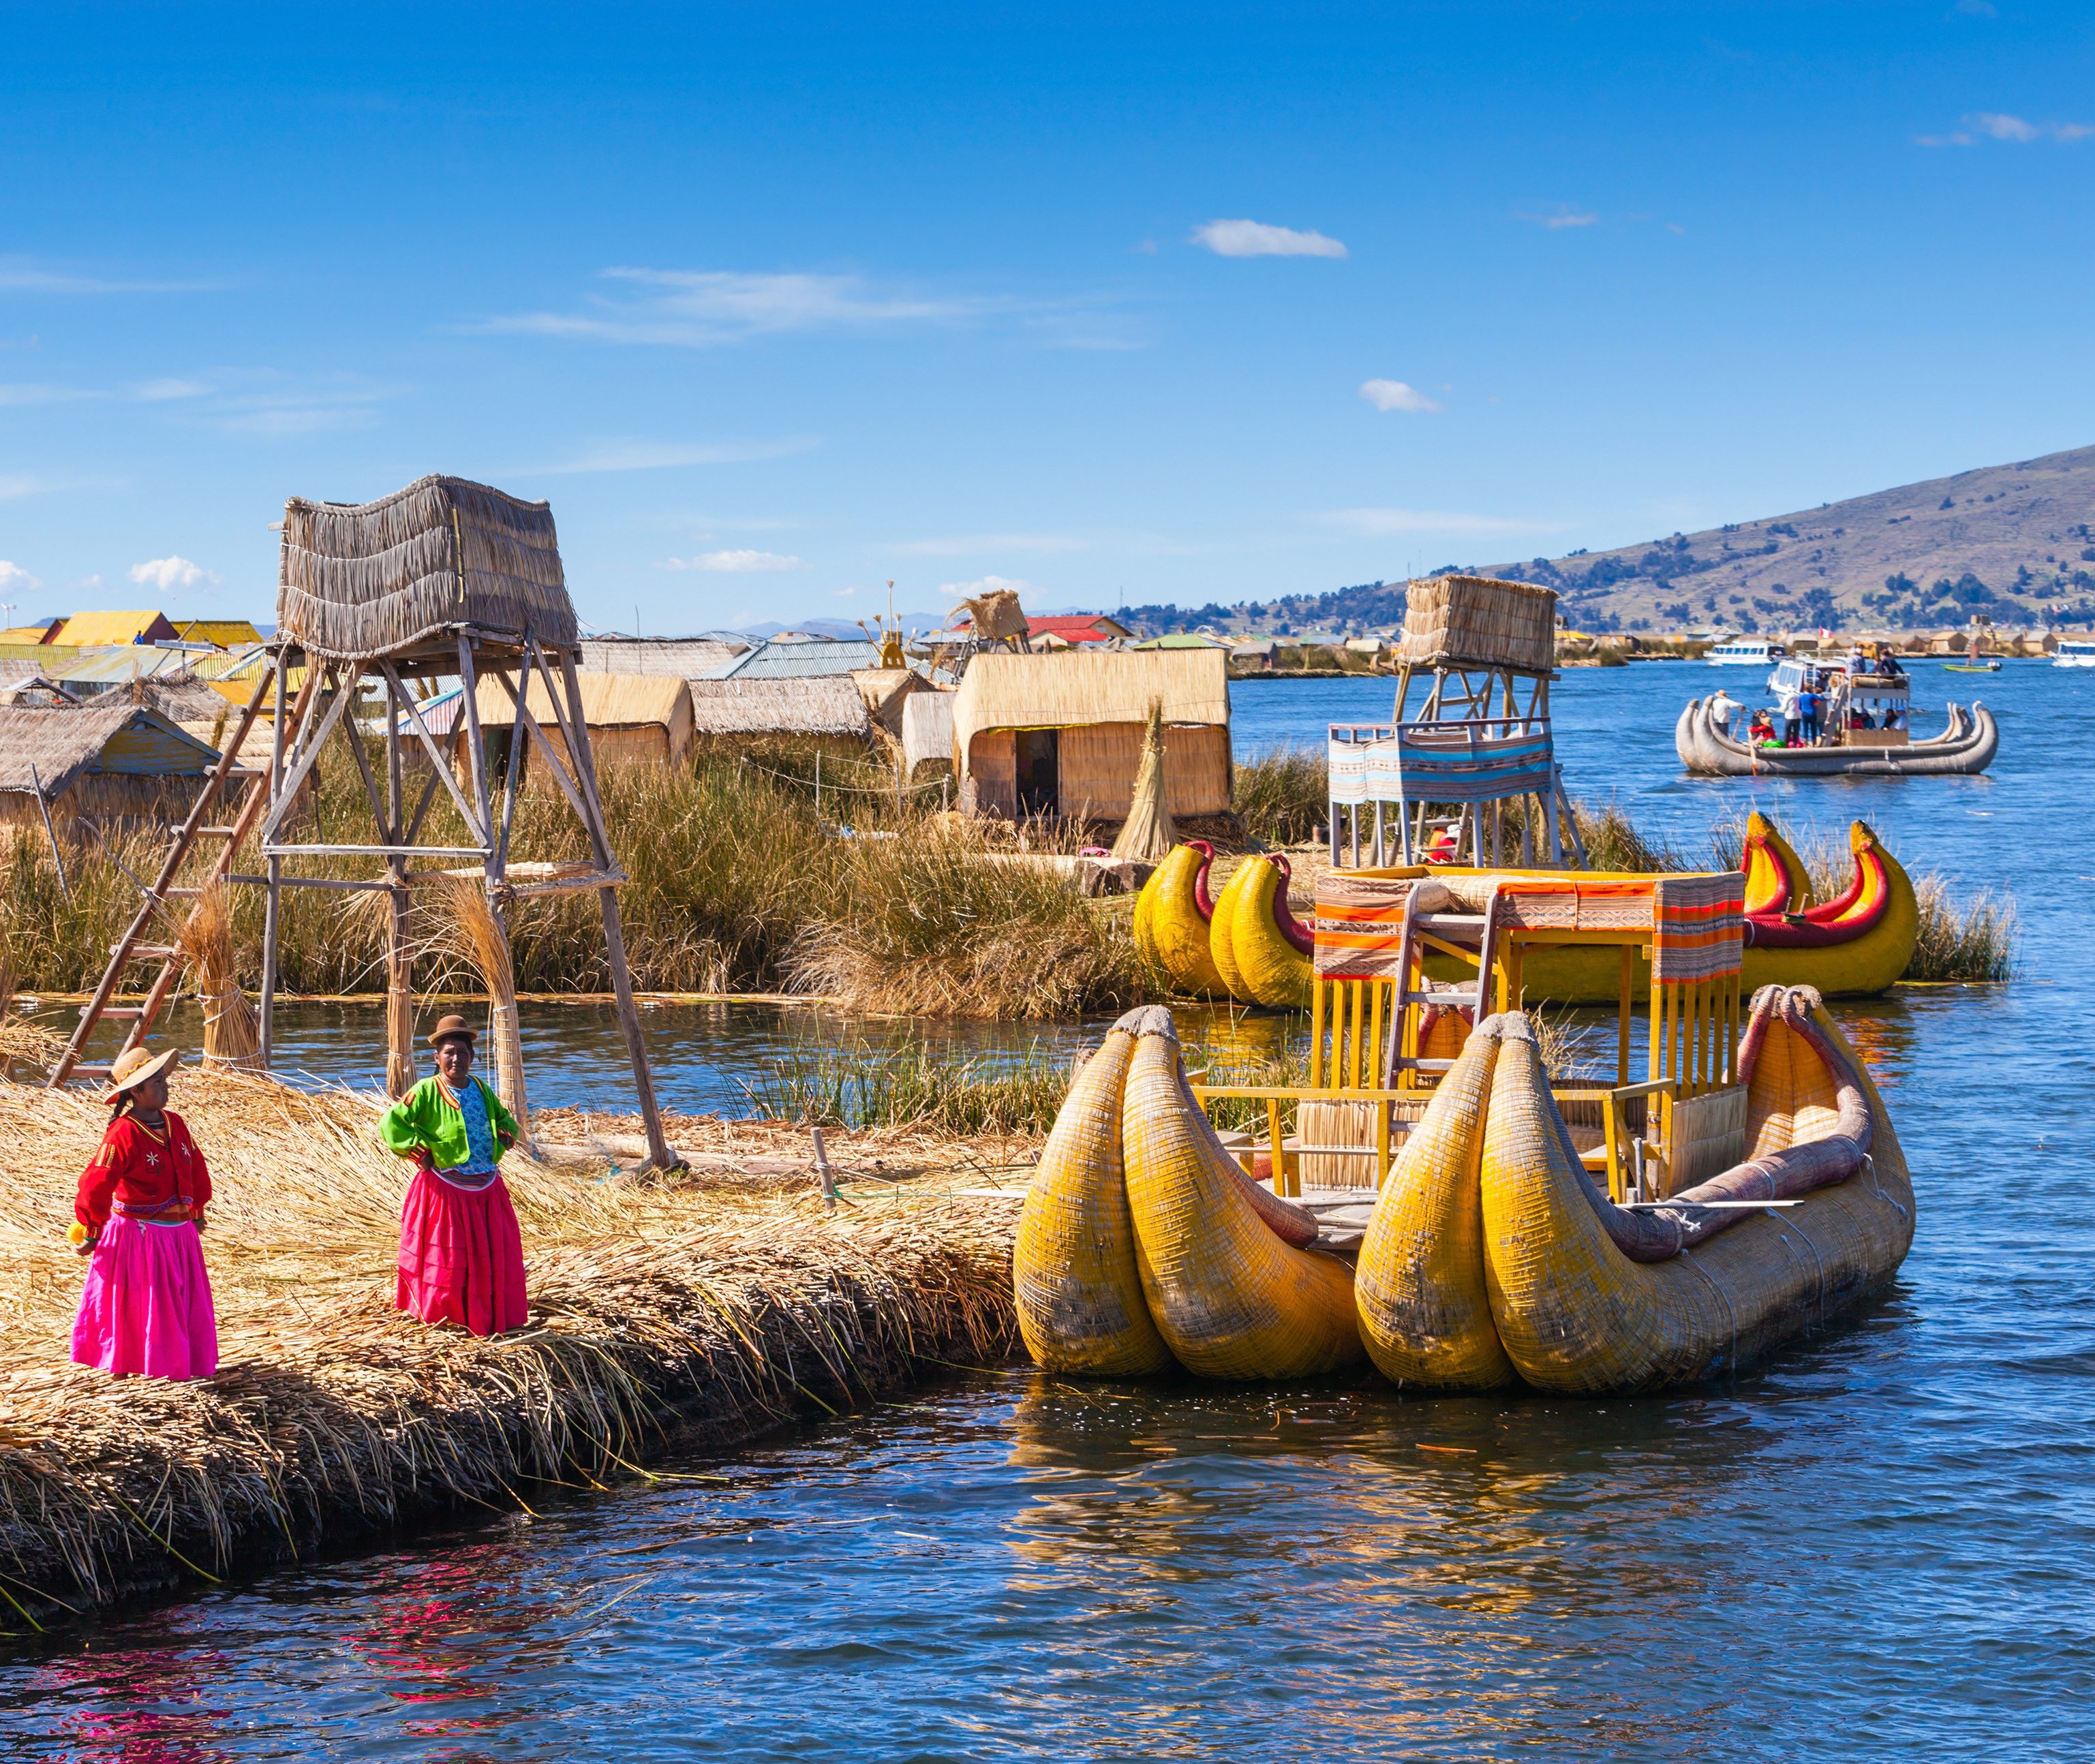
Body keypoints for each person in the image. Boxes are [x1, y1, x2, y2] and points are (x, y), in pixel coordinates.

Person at [70, 1046, 218, 1380]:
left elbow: (195, 1166)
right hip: (141, 1236)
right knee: (144, 1305)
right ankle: (136, 1367)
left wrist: (197, 1211)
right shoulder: (123, 1132)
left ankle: (181, 1366)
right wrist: (91, 1230)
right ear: (135, 1091)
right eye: (157, 1082)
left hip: (179, 1235)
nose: (166, 1086)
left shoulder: (175, 1123)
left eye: (164, 1080)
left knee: (180, 1303)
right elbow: (97, 1182)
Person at [380, 1015, 527, 1337]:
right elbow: (392, 1124)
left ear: (472, 1057)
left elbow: (504, 1118)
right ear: (437, 1057)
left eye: (462, 1052)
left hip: (486, 1185)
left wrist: (505, 1134)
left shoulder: (481, 1089)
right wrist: (420, 1152)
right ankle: (445, 1314)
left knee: (490, 1254)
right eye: (449, 1052)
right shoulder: (426, 1092)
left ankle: (485, 1312)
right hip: (446, 1189)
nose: (456, 1059)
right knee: (447, 1257)